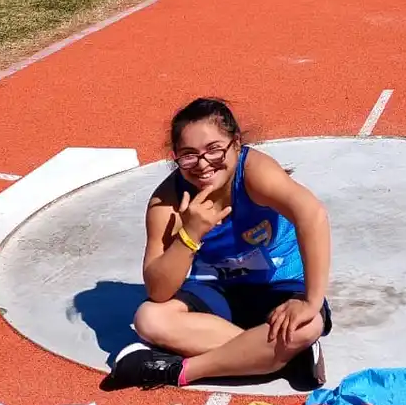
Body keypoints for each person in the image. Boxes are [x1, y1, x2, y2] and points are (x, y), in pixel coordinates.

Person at [103, 98, 333, 389]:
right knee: (150, 319)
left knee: (307, 324)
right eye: (188, 155)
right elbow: (158, 291)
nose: (203, 164)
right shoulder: (168, 202)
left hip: (278, 284)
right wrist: (190, 234)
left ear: (236, 143)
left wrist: (311, 302)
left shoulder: (254, 173)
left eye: (214, 149)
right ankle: (281, 358)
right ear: (175, 157)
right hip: (217, 290)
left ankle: (180, 371)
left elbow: (312, 215)